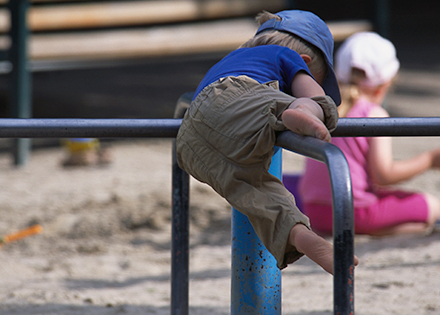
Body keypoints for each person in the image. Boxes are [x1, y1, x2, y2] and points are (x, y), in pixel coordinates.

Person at [176, 10, 359, 274]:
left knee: (259, 194)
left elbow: (216, 107)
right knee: (317, 102)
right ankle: (297, 113)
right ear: (304, 62)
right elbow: (308, 92)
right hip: (241, 99)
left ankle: (301, 236)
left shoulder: (232, 58)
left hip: (193, 138)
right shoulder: (287, 57)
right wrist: (309, 103)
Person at [299, 32, 440, 236]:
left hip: (314, 211)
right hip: (353, 211)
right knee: (432, 205)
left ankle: (391, 227)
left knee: (411, 217)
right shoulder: (374, 113)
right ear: (384, 86)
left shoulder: (325, 106)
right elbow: (383, 175)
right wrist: (429, 160)